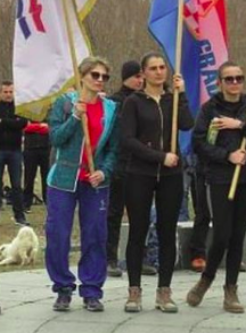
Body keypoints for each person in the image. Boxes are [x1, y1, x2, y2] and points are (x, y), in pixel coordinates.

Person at [186, 62, 246, 313]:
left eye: (239, 78)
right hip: (220, 178)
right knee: (222, 233)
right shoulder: (209, 109)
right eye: (229, 79)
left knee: (238, 236)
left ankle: (231, 288)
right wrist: (227, 156)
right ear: (220, 82)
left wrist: (241, 126)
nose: (235, 83)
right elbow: (199, 144)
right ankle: (206, 279)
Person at [120, 52, 194, 313]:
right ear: (143, 73)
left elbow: (188, 124)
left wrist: (182, 93)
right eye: (153, 68)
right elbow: (128, 140)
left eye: (162, 67)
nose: (159, 72)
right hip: (140, 172)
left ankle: (164, 291)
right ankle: (134, 291)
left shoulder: (173, 101)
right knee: (138, 230)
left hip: (171, 176)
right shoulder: (133, 102)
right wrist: (161, 156)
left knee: (166, 231)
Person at [46, 57, 119, 312]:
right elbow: (56, 138)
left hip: (95, 182)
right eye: (94, 75)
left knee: (96, 235)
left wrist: (104, 171)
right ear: (82, 76)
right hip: (63, 180)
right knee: (58, 235)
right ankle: (63, 287)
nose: (99, 80)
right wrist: (75, 117)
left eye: (104, 76)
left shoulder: (110, 108)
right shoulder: (64, 104)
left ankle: (91, 290)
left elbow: (113, 149)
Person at [106, 60, 142, 278]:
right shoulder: (114, 102)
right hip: (119, 163)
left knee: (141, 214)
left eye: (142, 76)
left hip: (141, 164)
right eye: (136, 76)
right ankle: (109, 257)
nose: (140, 80)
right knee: (114, 213)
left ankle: (139, 256)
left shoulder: (145, 99)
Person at [0, 80, 29, 227]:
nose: (8, 94)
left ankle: (20, 216)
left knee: (16, 184)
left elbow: (22, 123)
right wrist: (11, 122)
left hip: (15, 151)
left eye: (11, 92)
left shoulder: (19, 107)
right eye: (5, 92)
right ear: (0, 92)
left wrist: (3, 122)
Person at [23, 118, 50, 212]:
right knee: (29, 177)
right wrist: (40, 127)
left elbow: (50, 128)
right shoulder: (27, 113)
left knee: (47, 177)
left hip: (45, 148)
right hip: (30, 148)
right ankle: (26, 202)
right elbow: (25, 128)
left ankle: (48, 201)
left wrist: (34, 127)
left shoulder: (49, 113)